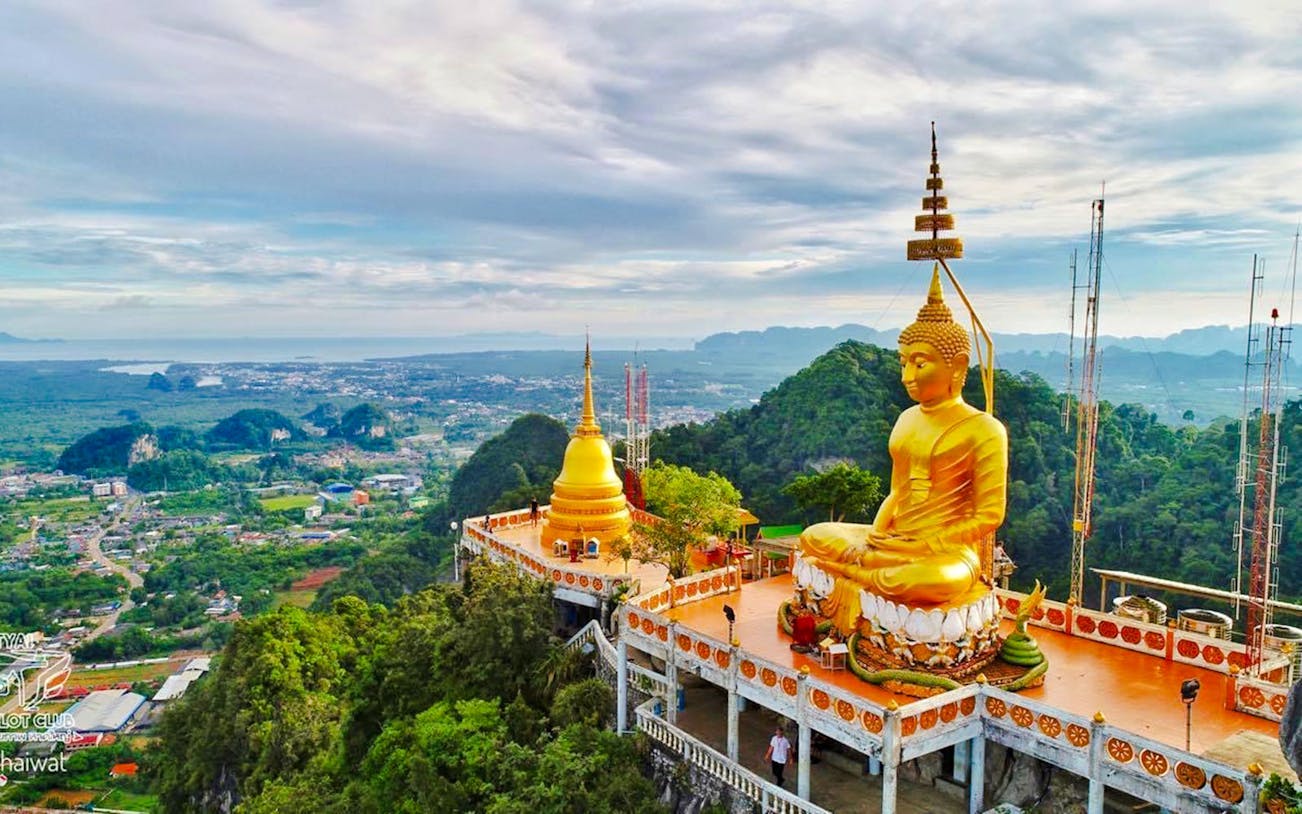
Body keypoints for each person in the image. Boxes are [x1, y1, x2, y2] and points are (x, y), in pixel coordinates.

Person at [799, 267, 1008, 634]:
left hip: (943, 552)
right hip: (892, 542)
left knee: (935, 582)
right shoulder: (906, 418)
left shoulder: (984, 429)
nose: (906, 375)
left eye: (920, 363)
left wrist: (929, 543)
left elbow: (989, 515)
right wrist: (879, 533)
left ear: (957, 365)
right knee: (815, 535)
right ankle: (865, 566)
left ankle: (851, 571)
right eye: (903, 362)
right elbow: (898, 491)